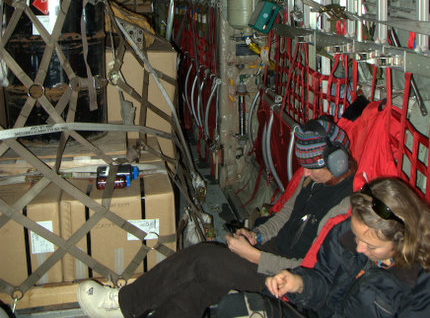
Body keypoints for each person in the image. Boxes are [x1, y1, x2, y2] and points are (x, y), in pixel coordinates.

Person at [77, 116, 356, 318]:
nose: (304, 173)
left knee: (204, 258)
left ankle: (122, 304)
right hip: (270, 253)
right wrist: (257, 236)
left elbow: (312, 271)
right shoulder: (314, 182)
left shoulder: (345, 208)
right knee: (207, 278)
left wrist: (254, 256)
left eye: (311, 167)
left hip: (288, 278)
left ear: (337, 162)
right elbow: (283, 217)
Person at [216, 177, 430, 318]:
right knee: (231, 308)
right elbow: (325, 280)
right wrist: (299, 283)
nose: (359, 249)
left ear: (403, 240)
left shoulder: (419, 286)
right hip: (314, 313)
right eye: (357, 237)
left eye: (372, 246)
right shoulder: (344, 233)